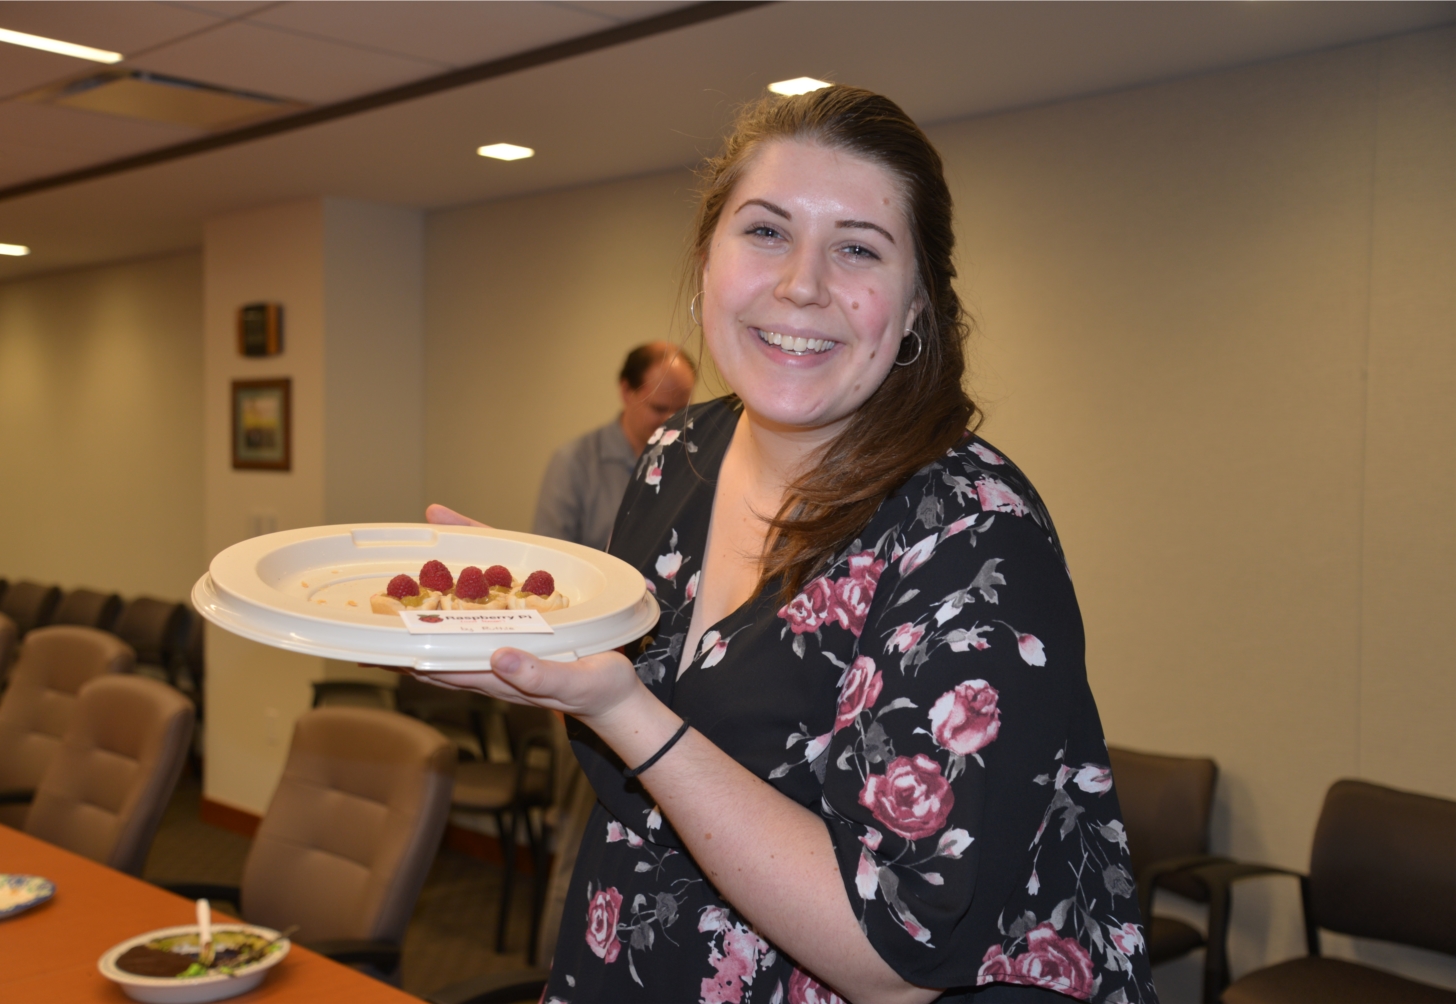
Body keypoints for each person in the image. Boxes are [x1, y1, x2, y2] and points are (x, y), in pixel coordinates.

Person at [423, 85, 1156, 1004]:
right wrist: (547, 634)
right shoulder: (673, 459)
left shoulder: (974, 532)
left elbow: (900, 960)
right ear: (704, 264)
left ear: (920, 304)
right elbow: (650, 774)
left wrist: (620, 707)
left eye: (856, 247)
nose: (801, 283)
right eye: (765, 232)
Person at [531, 343, 696, 551]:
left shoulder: (694, 462)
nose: (672, 420)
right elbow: (549, 555)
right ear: (627, 391)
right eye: (659, 408)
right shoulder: (573, 462)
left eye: (683, 410)